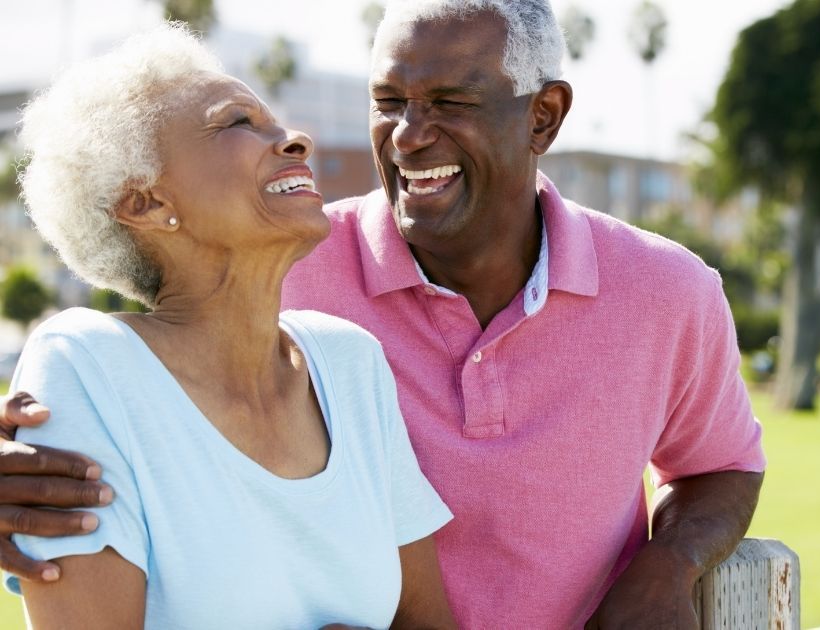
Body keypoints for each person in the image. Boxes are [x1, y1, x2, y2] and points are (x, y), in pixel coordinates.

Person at [0, 1, 766, 628]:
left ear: (543, 118)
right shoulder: (268, 277)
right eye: (389, 103)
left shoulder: (667, 289)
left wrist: (668, 567)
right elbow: (121, 437)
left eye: (450, 103)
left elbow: (723, 464)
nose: (408, 135)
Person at [1, 24, 456, 629]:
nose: (296, 139)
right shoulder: (86, 365)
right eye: (238, 123)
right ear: (145, 202)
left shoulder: (350, 363)